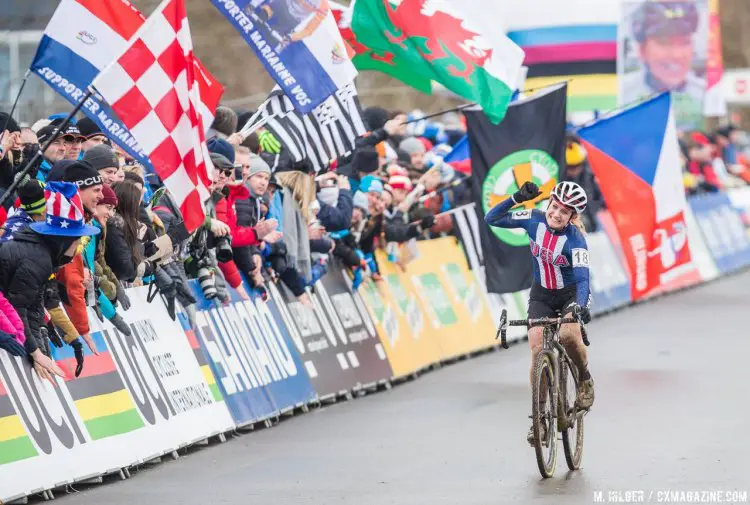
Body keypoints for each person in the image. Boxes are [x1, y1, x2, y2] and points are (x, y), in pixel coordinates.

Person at [484, 180, 594, 445]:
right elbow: (492, 218)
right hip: (542, 293)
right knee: (536, 351)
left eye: (564, 212)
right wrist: (516, 198)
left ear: (572, 217)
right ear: (549, 203)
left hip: (570, 294)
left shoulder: (576, 240)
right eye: (554, 207)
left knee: (568, 336)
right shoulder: (533, 219)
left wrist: (579, 307)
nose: (556, 214)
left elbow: (582, 280)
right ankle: (539, 421)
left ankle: (584, 379)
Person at [0, 182, 100, 382]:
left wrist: (37, 339)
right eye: (77, 240)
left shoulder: (43, 255)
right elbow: (17, 307)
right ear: (63, 240)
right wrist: (34, 352)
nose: (79, 246)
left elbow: (33, 304)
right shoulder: (37, 258)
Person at [622, 0, 704, 124]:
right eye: (664, 43)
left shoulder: (705, 96)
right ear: (642, 50)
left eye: (684, 42)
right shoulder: (623, 94)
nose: (676, 55)